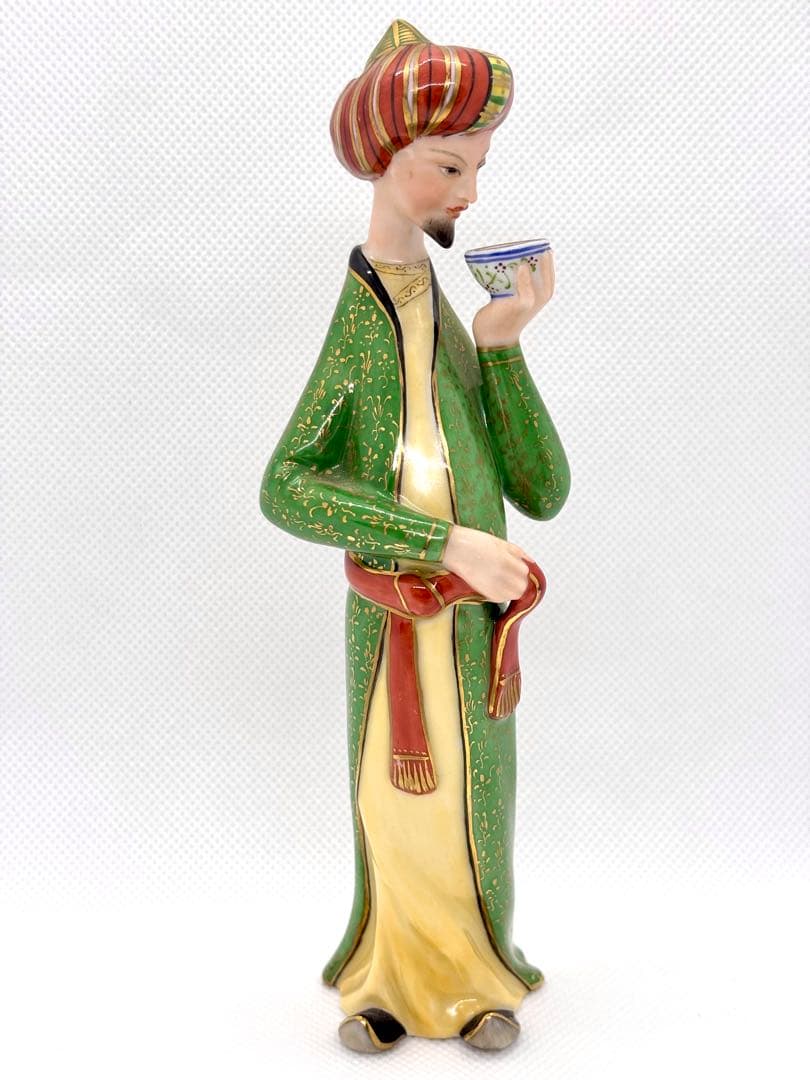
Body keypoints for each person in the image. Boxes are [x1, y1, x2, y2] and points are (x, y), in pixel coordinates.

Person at [260, 19, 570, 1053]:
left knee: (477, 797)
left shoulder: (448, 321)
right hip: (394, 621)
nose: (469, 191)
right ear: (387, 161)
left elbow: (543, 487)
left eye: (477, 167)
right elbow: (286, 486)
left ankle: (479, 973)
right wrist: (442, 545)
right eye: (450, 166)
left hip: (471, 633)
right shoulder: (361, 322)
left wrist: (503, 348)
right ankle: (389, 976)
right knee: (397, 802)